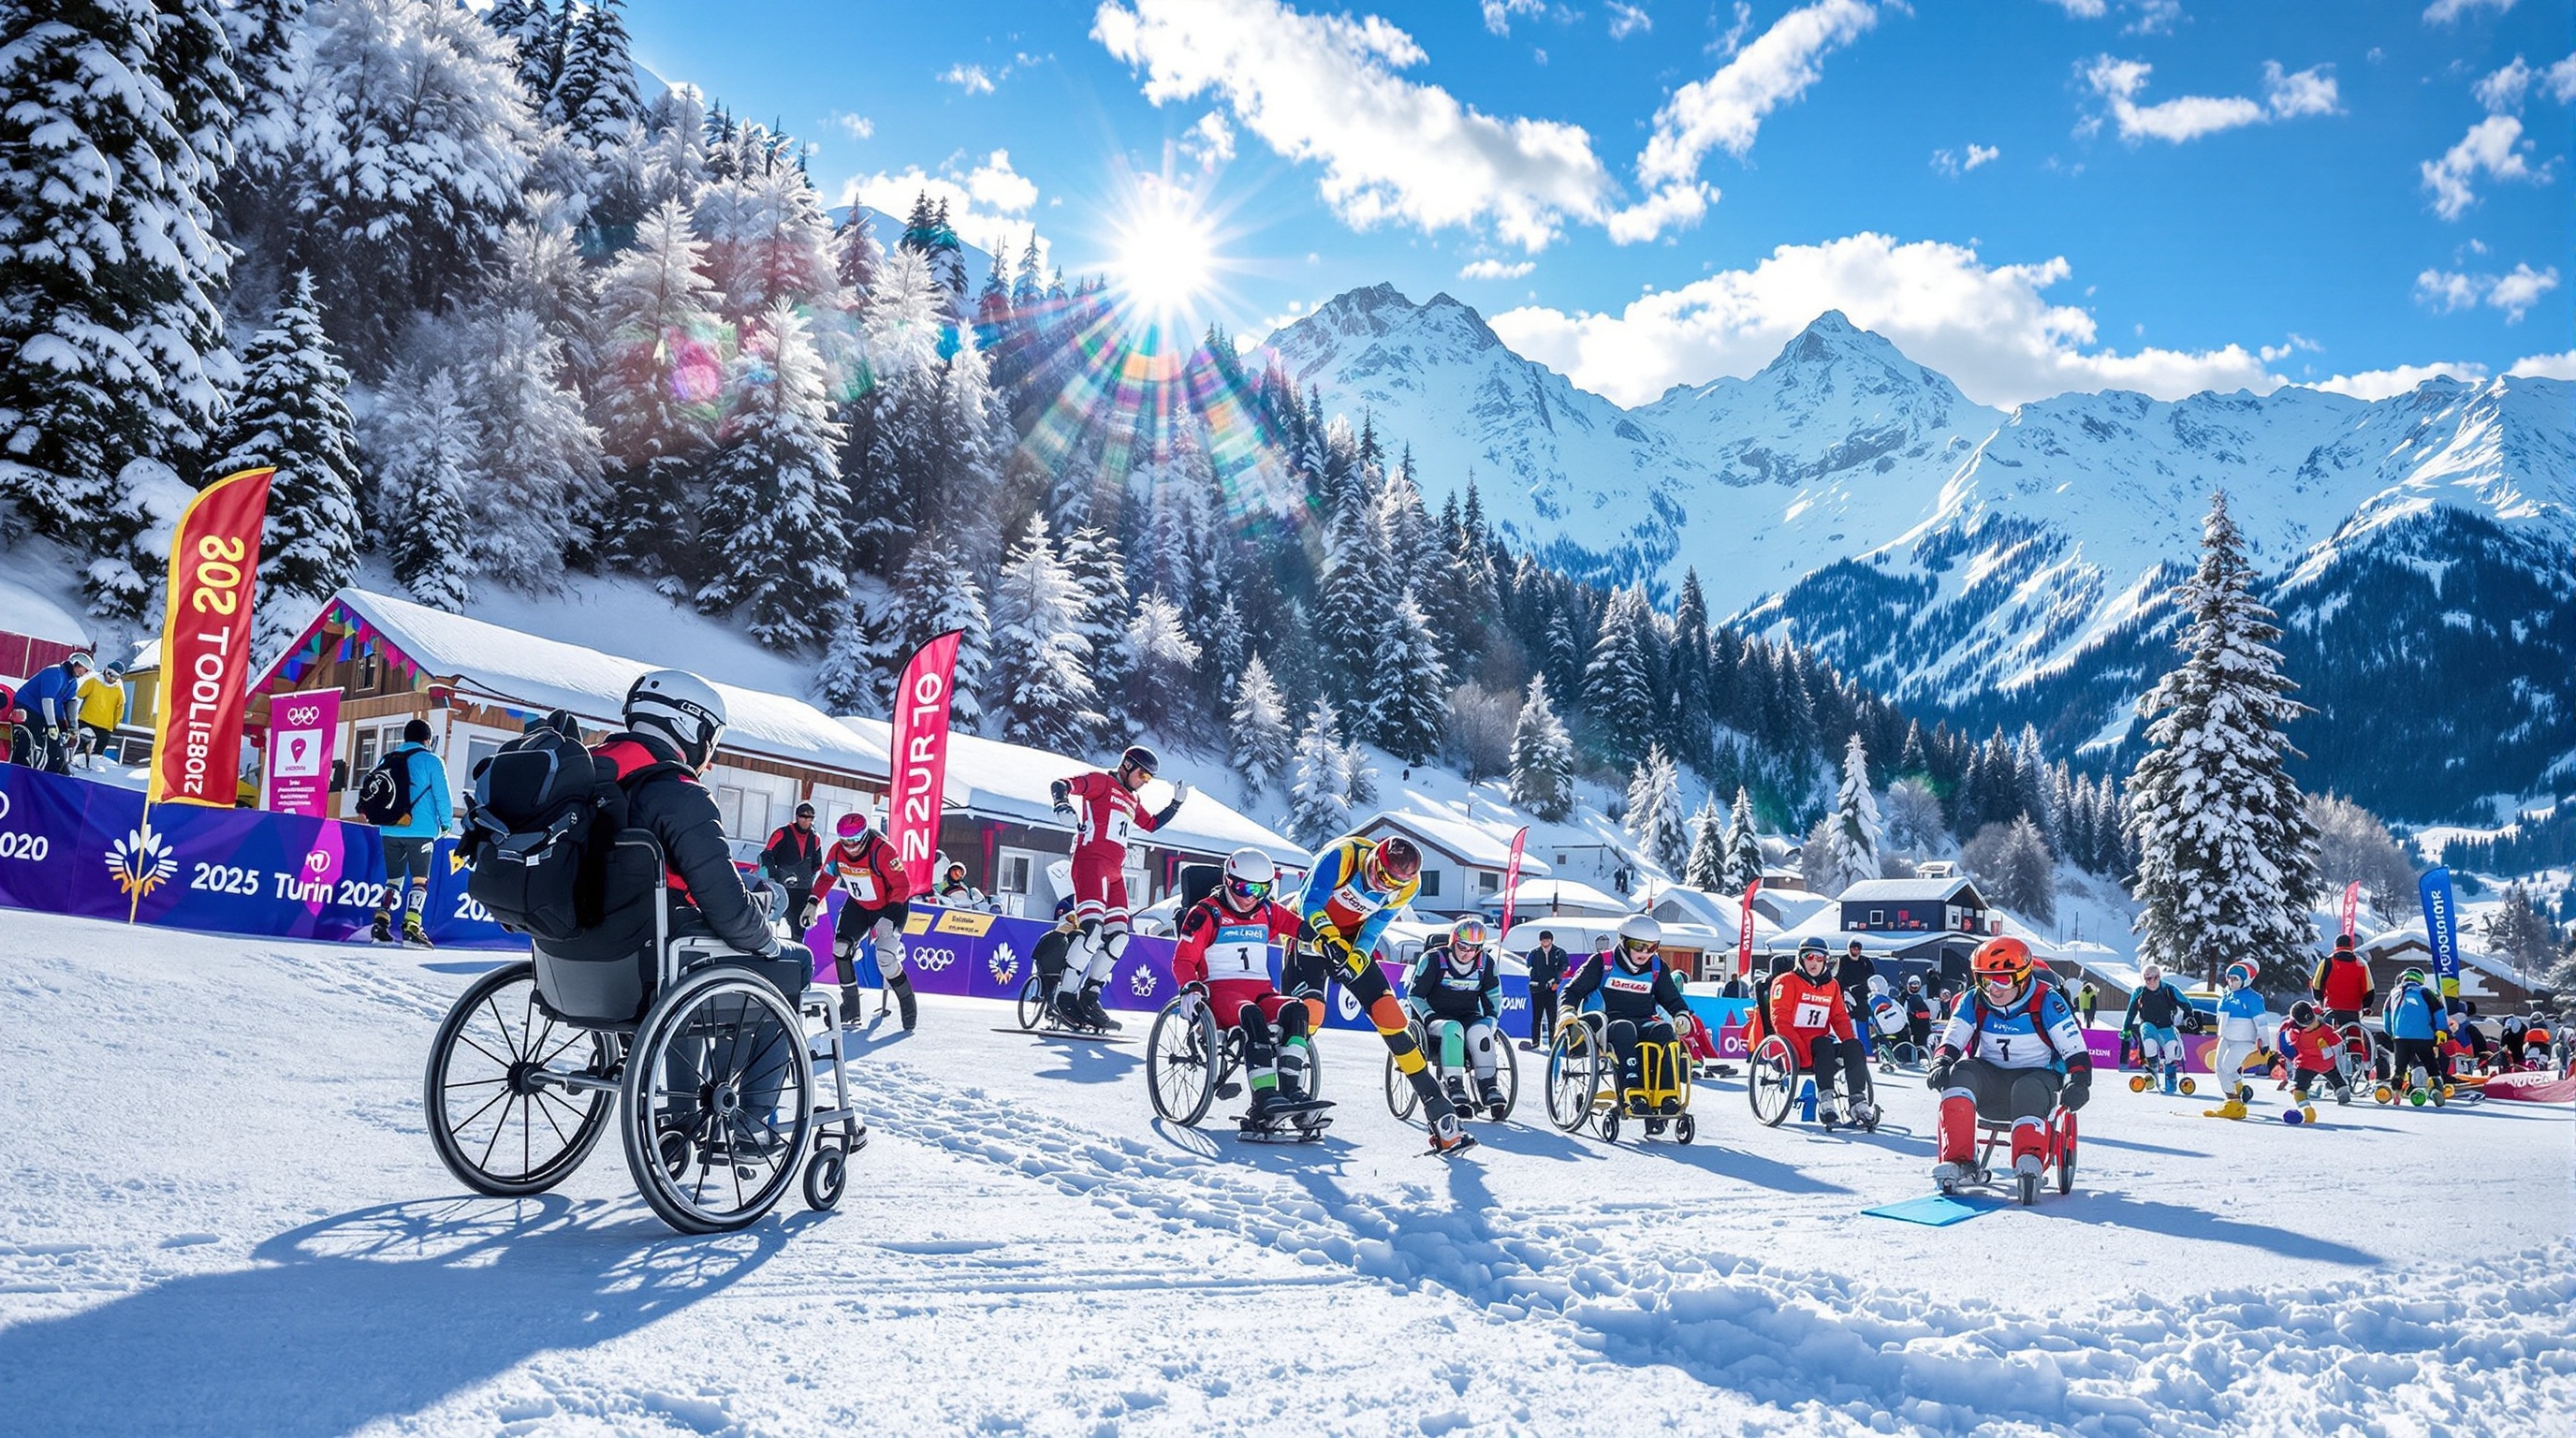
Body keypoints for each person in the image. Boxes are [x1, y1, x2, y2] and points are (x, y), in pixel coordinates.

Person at [1296, 832, 1475, 1154]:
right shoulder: (1343, 856)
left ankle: (1439, 1112)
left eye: (1391, 884)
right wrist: (1331, 940)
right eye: (1380, 876)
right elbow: (1309, 901)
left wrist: (1359, 954)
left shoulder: (1409, 885)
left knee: (1391, 1015)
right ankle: (1289, 1089)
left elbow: (1376, 925)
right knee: (1311, 1012)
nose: (1383, 886)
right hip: (1308, 930)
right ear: (1375, 858)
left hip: (1350, 939)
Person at [1170, 847, 1316, 1132]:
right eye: (1243, 887)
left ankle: (1291, 1090)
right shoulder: (1205, 914)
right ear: (1227, 880)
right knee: (1251, 1016)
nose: (1250, 896)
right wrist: (1189, 987)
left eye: (1260, 889)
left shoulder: (1268, 910)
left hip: (1262, 991)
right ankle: (1263, 1098)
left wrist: (1322, 937)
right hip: (1222, 993)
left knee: (1297, 1010)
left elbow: (1297, 926)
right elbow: (1183, 958)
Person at [1927, 937, 2090, 1191]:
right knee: (1960, 1073)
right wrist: (1941, 1062)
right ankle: (1960, 1160)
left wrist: (2079, 1082)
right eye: (1985, 979)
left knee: (2028, 1087)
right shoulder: (1974, 1000)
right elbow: (1955, 1035)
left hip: (2037, 1079)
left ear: (2023, 976)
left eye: (2002, 979)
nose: (1993, 988)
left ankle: (2029, 1158)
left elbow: (2074, 1048)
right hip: (1991, 1082)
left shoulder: (2047, 1000)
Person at [1049, 744, 1189, 1031]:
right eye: (1142, 775)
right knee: (1092, 931)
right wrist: (1061, 803)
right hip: (1090, 863)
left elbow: (1150, 825)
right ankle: (1063, 995)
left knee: (1119, 938)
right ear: (1126, 765)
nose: (1144, 782)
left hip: (1114, 872)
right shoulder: (1101, 782)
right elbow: (1061, 784)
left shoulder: (1131, 798)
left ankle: (1089, 996)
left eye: (1149, 779)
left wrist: (1175, 805)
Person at [1560, 916, 1693, 1121]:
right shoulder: (1602, 962)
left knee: (1664, 1031)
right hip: (1605, 1022)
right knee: (1624, 1028)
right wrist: (1568, 1011)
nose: (1645, 953)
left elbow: (1672, 999)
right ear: (1623, 941)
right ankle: (1632, 1091)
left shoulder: (1657, 967)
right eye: (1638, 946)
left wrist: (1681, 1014)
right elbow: (1572, 991)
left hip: (1642, 1020)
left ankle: (1667, 1096)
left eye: (1652, 948)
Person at [811, 812, 919, 1030]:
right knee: (841, 948)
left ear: (864, 835)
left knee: (886, 960)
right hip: (859, 905)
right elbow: (827, 876)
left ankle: (908, 1006)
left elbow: (902, 886)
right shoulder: (837, 851)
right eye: (845, 841)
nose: (850, 846)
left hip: (890, 906)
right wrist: (813, 901)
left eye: (854, 840)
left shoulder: (883, 851)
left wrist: (889, 917)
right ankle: (851, 1007)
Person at [1407, 917, 1507, 1121]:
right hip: (1436, 1017)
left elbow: (1494, 996)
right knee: (1453, 1029)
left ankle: (1488, 1085)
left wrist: (1491, 1019)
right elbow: (1415, 995)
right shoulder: (1433, 959)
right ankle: (1454, 1084)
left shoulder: (1486, 963)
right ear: (1453, 941)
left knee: (1481, 1031)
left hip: (1469, 1015)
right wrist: (1428, 1015)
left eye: (1474, 948)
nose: (1467, 952)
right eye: (1463, 946)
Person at [1771, 937, 1878, 1125]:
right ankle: (1826, 1100)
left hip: (1822, 1049)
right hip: (1794, 1048)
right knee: (1824, 1043)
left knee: (1854, 1046)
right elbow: (1781, 1021)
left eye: (1820, 958)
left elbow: (1839, 1018)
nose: (1814, 962)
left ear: (1826, 961)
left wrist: (1848, 1044)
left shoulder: (1832, 986)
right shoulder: (1786, 982)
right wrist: (1802, 1056)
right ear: (1801, 959)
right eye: (1809, 956)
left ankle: (1857, 1101)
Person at [369, 718, 452, 946]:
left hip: (389, 829)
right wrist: (446, 824)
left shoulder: (387, 759)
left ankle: (381, 923)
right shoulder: (432, 761)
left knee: (393, 880)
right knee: (419, 880)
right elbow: (442, 796)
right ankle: (412, 927)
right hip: (421, 830)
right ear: (427, 739)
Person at [16, 650, 92, 775]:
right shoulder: (55, 673)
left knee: (57, 742)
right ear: (77, 665)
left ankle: (57, 771)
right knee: (36, 741)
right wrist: (51, 724)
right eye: (86, 669)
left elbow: (70, 704)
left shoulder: (72, 681)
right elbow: (47, 700)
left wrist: (71, 727)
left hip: (45, 712)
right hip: (28, 708)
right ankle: (26, 771)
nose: (86, 673)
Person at [2380, 967, 2451, 1101]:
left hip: (2401, 1037)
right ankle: (2437, 1089)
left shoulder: (2394, 994)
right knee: (2431, 1064)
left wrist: (2390, 1033)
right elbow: (2439, 1011)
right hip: (2424, 1036)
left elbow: (2386, 1015)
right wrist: (2441, 1030)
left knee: (2400, 1067)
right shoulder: (2425, 992)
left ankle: (2396, 1094)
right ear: (2420, 980)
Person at [2123, 962, 2194, 1094]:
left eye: (2151, 978)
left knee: (2171, 1049)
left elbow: (2186, 1004)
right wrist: (2126, 1029)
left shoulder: (2169, 989)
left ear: (2158, 977)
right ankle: (2153, 1070)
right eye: (2146, 979)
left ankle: (2170, 1079)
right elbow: (2131, 1012)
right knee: (2149, 1044)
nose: (2149, 982)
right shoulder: (2139, 992)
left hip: (2166, 1026)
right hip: (2148, 1024)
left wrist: (2188, 1017)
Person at [2209, 961, 2266, 1112]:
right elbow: (2222, 1016)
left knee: (2229, 1066)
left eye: (2236, 979)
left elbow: (2261, 1022)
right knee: (2219, 1067)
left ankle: (2238, 1093)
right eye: (2230, 978)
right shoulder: (2227, 996)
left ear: (2245, 980)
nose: (2231, 982)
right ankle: (2231, 1099)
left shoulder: (2253, 998)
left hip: (2244, 1040)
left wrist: (2265, 1041)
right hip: (2227, 1038)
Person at [758, 801, 823, 932]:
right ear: (796, 816)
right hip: (782, 886)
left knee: (799, 928)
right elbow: (766, 856)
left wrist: (810, 882)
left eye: (809, 818)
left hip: (803, 889)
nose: (806, 820)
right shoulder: (782, 833)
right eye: (803, 816)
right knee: (771, 923)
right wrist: (773, 875)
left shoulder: (815, 838)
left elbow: (817, 864)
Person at [2279, 1001, 2352, 1107]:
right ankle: (2341, 1093)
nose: (2311, 1026)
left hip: (2315, 1064)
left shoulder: (2301, 1033)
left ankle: (2341, 1093)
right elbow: (2336, 1041)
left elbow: (2288, 1044)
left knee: (2302, 1083)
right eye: (2307, 1025)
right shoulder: (2322, 1030)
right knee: (2332, 1077)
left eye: (2312, 1022)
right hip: (2317, 1063)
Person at [1522, 928, 1571, 1049]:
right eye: (1543, 940)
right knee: (1536, 1017)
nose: (1545, 942)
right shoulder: (1534, 953)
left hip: (1551, 988)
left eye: (1547, 939)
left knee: (1552, 1018)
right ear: (1540, 941)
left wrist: (1557, 981)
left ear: (1551, 940)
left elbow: (1564, 967)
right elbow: (1528, 964)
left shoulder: (1558, 952)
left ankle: (1553, 1044)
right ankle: (1535, 1042)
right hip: (1537, 989)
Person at [74, 661, 124, 770]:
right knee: (80, 748)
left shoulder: (118, 690)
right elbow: (78, 696)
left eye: (115, 677)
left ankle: (92, 770)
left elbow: (119, 708)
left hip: (105, 727)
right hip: (86, 721)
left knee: (97, 753)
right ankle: (76, 766)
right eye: (109, 673)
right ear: (105, 670)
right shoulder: (93, 681)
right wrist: (72, 716)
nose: (110, 678)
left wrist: (115, 724)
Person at [1902, 976, 1935, 1055]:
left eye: (1916, 986)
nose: (1914, 988)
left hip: (1922, 1027)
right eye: (1912, 986)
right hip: (1908, 1025)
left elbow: (1928, 1013)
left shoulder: (1922, 997)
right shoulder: (1903, 996)